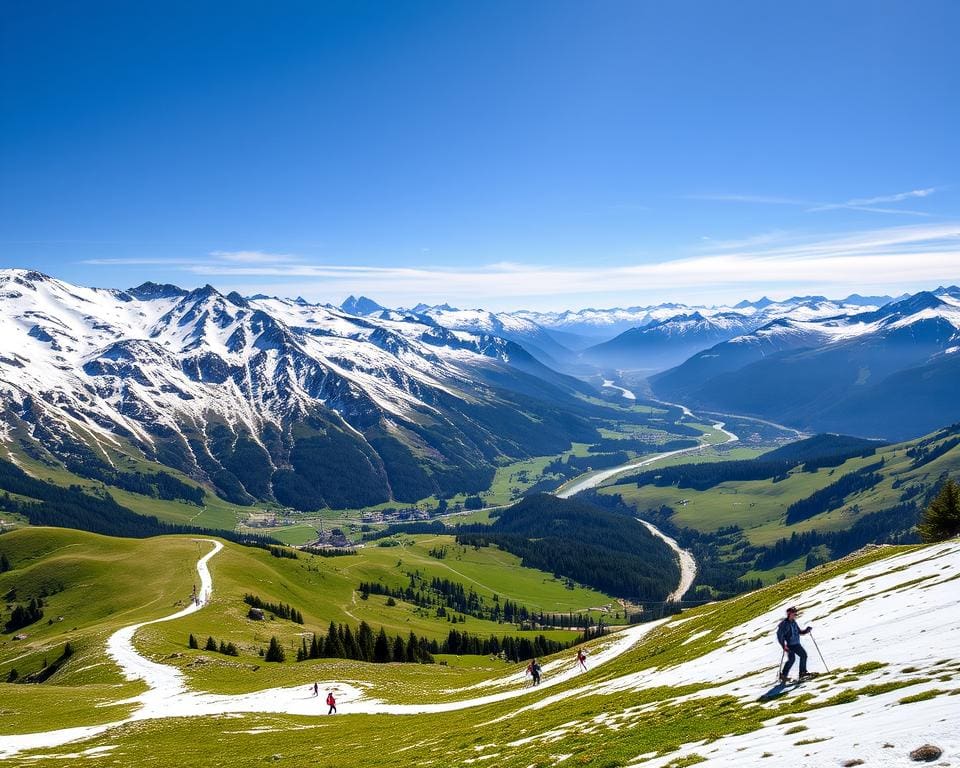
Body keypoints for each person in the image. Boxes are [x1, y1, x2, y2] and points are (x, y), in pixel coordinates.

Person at [776, 606, 813, 683]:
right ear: (789, 614)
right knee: (792, 659)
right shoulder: (784, 624)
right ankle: (784, 675)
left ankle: (802, 673)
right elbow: (780, 636)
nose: (795, 615)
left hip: (796, 644)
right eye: (794, 613)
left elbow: (800, 632)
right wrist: (784, 646)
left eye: (796, 613)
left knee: (803, 655)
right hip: (789, 645)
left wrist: (806, 630)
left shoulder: (794, 622)